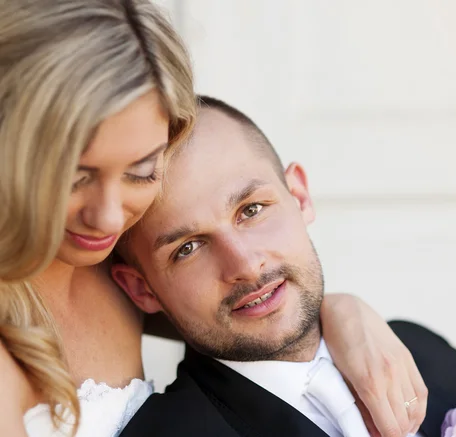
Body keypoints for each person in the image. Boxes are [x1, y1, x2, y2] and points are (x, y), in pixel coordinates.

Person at [0, 2, 427, 436]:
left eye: (141, 172)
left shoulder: (109, 267)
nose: (109, 217)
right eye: (74, 178)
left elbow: (255, 313)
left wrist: (346, 315)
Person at [113, 96, 456, 437]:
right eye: (188, 248)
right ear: (141, 289)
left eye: (251, 210)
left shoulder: (423, 350)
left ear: (299, 196)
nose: (245, 265)